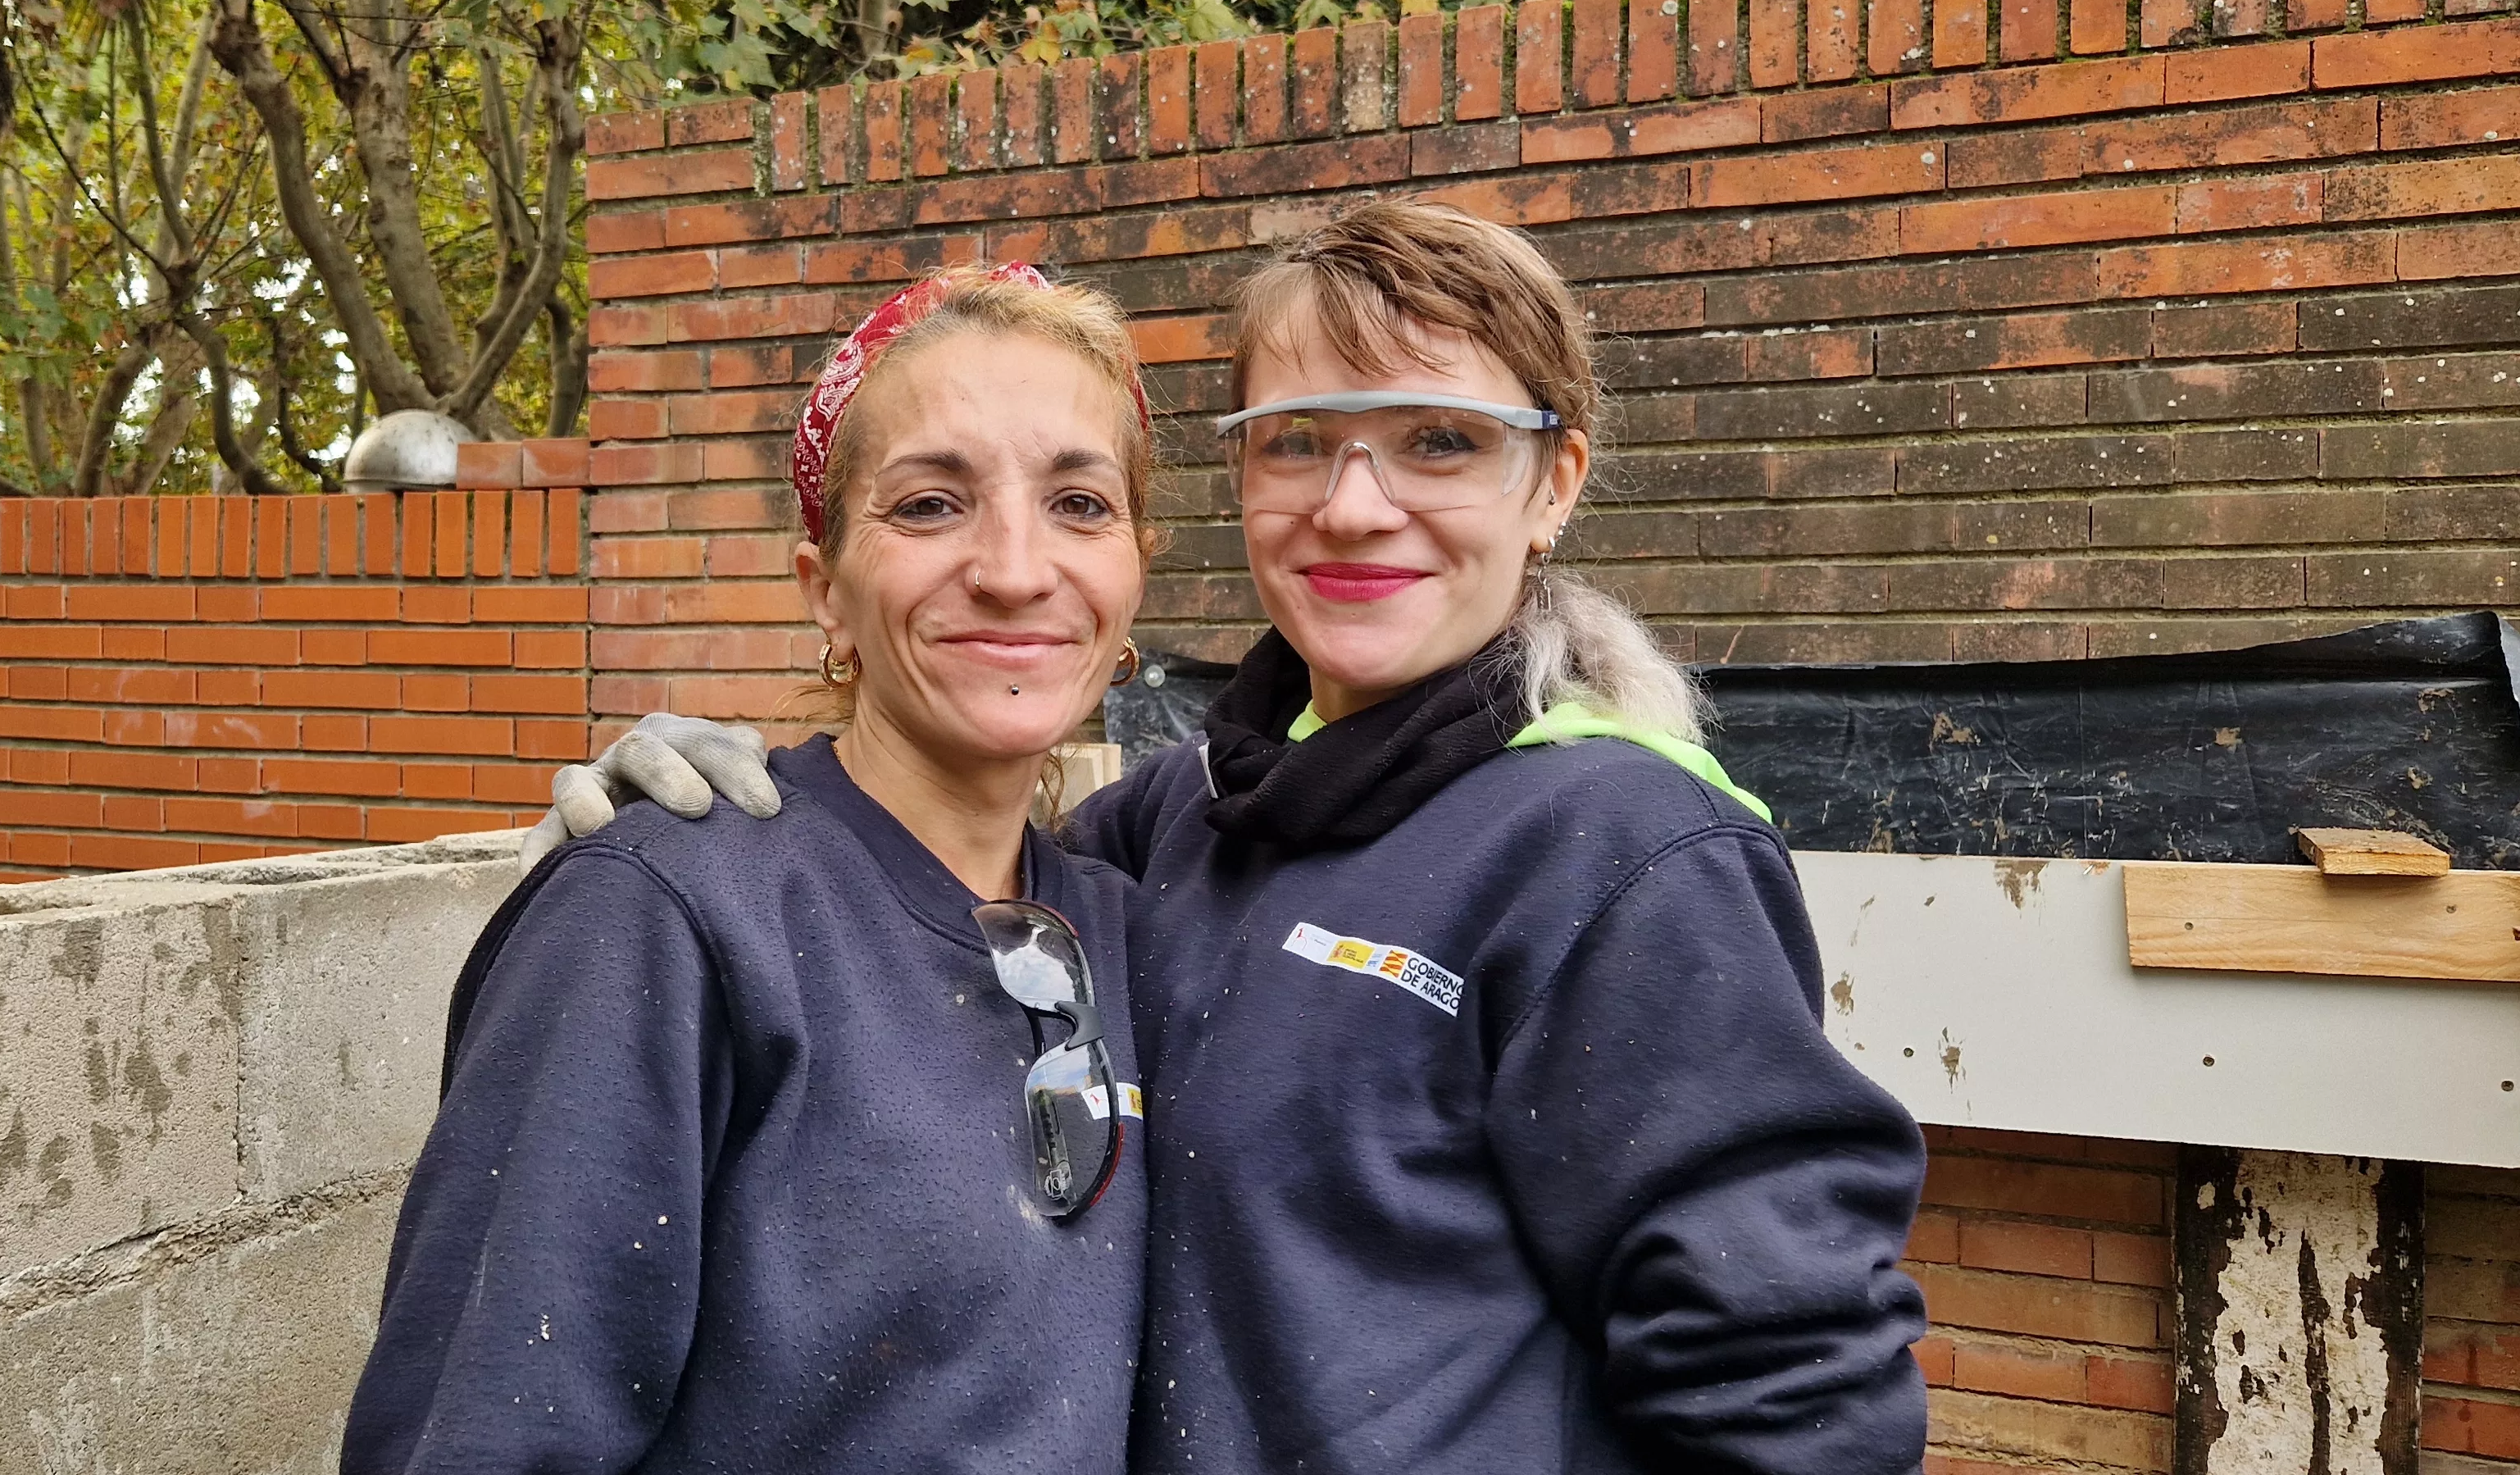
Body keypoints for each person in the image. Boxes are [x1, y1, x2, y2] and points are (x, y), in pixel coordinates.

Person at [544, 203, 1931, 1473]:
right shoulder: (1179, 824)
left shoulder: (1623, 854)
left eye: (1438, 440)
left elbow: (1795, 1398)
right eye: (1301, 439)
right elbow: (918, 884)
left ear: (1554, 482)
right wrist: (707, 807)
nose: (1353, 503)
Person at [343, 264, 1159, 1475]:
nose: (1014, 567)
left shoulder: (1127, 927)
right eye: (931, 504)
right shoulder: (667, 917)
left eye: (1080, 504)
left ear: (1135, 574)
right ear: (824, 592)